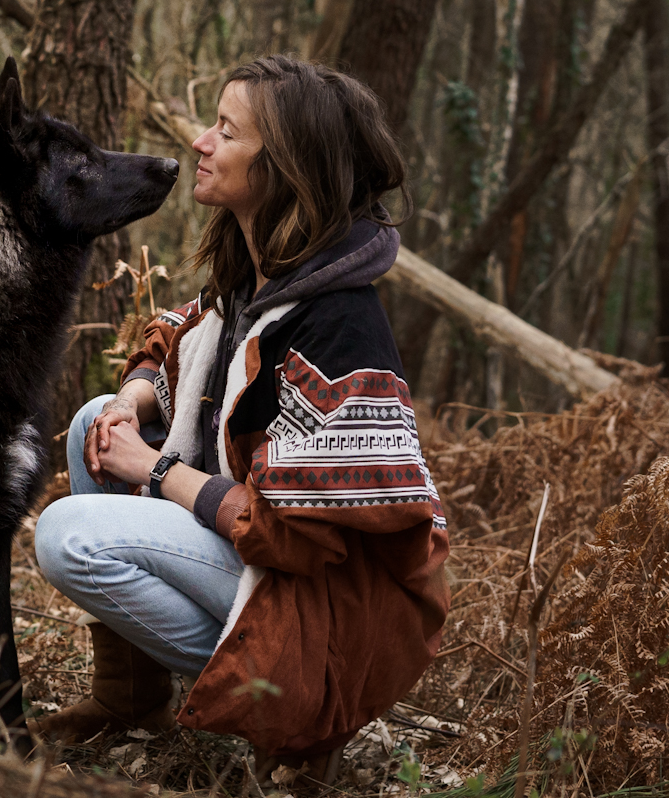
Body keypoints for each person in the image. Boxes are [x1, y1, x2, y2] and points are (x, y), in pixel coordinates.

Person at [32, 56, 450, 782]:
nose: (200, 141)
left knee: (66, 536)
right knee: (95, 417)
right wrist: (134, 397)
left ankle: (294, 714)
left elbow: (298, 534)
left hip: (326, 618)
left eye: (226, 131)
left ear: (284, 168)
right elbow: (175, 333)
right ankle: (128, 697)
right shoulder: (259, 276)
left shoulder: (342, 331)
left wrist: (156, 470)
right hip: (269, 559)